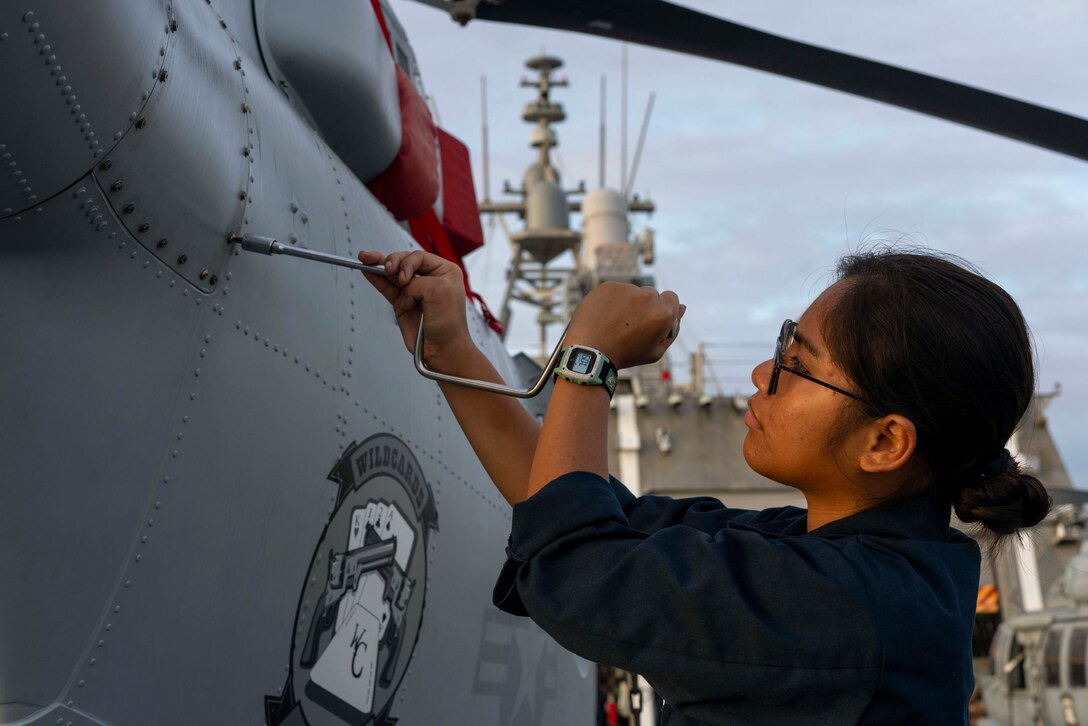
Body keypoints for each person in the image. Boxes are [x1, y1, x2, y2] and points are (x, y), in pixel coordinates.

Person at [358, 246, 1049, 724]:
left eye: (795, 364)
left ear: (885, 442)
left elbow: (580, 568)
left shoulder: (846, 603)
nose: (760, 375)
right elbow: (589, 515)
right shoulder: (848, 559)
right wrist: (449, 349)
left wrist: (588, 359)